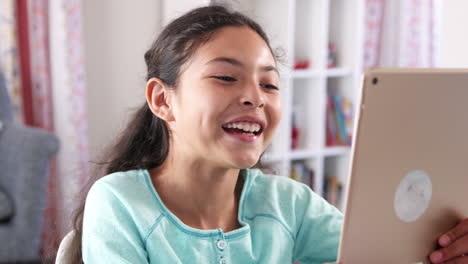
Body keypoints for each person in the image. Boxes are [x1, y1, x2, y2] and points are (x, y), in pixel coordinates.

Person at [68, 5, 468, 264]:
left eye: (270, 85)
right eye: (226, 77)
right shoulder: (121, 203)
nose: (254, 98)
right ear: (162, 100)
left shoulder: (289, 204)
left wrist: (441, 250)